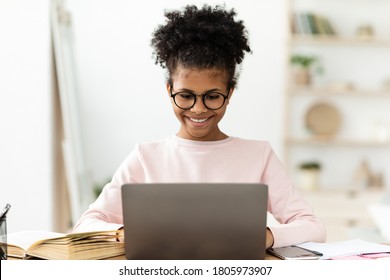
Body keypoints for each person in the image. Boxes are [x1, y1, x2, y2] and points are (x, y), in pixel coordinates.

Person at [73, 4, 326, 248]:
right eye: (185, 95)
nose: (198, 109)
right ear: (169, 90)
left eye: (213, 96)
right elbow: (86, 224)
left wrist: (267, 236)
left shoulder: (258, 156)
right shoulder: (145, 157)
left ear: (230, 92)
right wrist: (122, 233)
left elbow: (313, 227)